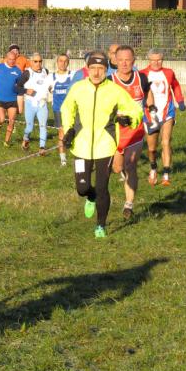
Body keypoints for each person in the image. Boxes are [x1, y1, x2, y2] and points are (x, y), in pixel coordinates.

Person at [61, 51, 143, 238]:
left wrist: (128, 119)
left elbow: (136, 111)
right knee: (82, 188)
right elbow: (67, 109)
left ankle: (101, 225)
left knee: (101, 187)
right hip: (80, 146)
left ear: (106, 70)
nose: (96, 72)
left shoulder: (115, 90)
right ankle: (90, 197)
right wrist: (69, 129)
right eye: (93, 68)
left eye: (100, 69)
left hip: (105, 147)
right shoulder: (78, 88)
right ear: (87, 69)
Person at [109, 45, 154, 219]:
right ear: (115, 61)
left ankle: (129, 204)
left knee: (131, 164)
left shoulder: (141, 78)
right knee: (117, 167)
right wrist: (116, 117)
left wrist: (151, 106)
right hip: (116, 132)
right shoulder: (110, 82)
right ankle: (122, 174)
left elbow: (147, 92)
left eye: (128, 60)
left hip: (135, 131)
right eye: (120, 60)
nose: (124, 63)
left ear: (134, 61)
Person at [140, 48, 186, 186]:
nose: (156, 62)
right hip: (150, 115)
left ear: (163, 59)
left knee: (166, 142)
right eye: (153, 60)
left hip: (167, 112)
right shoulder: (142, 74)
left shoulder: (169, 73)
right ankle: (153, 168)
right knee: (151, 149)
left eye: (159, 60)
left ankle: (166, 175)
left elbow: (176, 86)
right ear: (149, 60)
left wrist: (180, 101)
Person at [17, 53, 50, 155]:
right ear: (31, 62)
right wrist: (26, 91)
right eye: (35, 61)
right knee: (29, 127)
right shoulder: (27, 73)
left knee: (43, 126)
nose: (38, 63)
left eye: (40, 61)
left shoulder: (46, 71)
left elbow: (48, 84)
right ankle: (26, 138)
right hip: (30, 104)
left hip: (42, 104)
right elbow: (16, 87)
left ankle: (42, 148)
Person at [46, 53, 73, 165]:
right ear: (57, 63)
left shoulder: (73, 75)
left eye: (65, 61)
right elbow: (46, 89)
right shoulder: (51, 77)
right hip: (58, 109)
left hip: (72, 109)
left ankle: (79, 157)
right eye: (60, 61)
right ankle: (63, 159)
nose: (63, 63)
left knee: (74, 132)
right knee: (61, 133)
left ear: (68, 62)